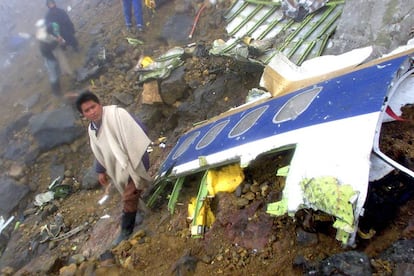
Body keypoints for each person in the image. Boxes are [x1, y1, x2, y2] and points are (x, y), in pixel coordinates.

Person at [75, 91, 153, 246]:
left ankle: (126, 231)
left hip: (134, 160)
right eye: (87, 110)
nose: (92, 112)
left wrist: (132, 155)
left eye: (93, 107)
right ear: (83, 114)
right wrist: (100, 170)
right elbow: (100, 150)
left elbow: (139, 131)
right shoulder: (92, 130)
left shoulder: (117, 115)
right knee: (128, 190)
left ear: (100, 104)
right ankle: (144, 211)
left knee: (128, 196)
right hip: (118, 168)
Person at [36, 19, 67, 96]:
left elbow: (54, 26)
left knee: (57, 72)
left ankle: (58, 87)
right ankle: (56, 92)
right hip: (50, 60)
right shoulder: (43, 45)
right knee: (53, 76)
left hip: (53, 57)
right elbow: (50, 47)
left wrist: (57, 38)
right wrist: (57, 41)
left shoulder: (45, 33)